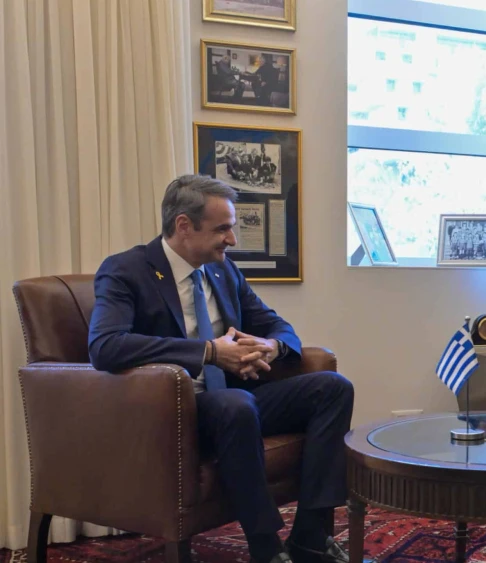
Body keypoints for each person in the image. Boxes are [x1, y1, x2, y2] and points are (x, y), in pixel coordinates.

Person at [88, 175, 355, 563]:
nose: (232, 239)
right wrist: (210, 352)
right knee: (236, 404)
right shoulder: (126, 270)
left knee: (333, 387)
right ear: (184, 225)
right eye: (222, 229)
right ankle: (265, 546)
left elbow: (277, 325)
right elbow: (106, 346)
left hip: (234, 400)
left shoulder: (222, 271)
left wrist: (271, 346)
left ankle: (311, 535)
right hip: (174, 409)